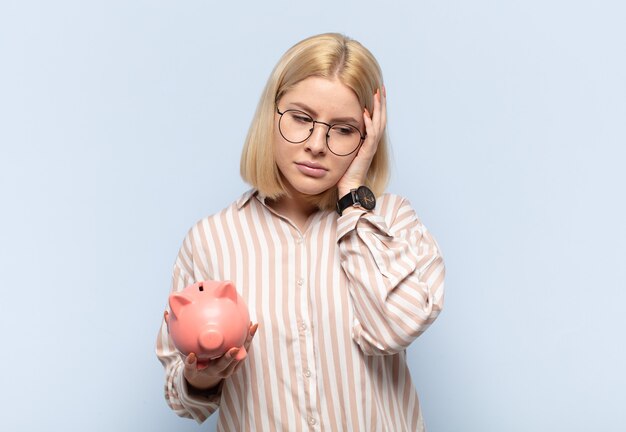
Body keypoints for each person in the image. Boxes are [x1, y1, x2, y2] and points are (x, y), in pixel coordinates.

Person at [156, 32, 445, 431]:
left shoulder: (393, 223)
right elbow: (182, 396)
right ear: (271, 114)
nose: (316, 145)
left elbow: (393, 329)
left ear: (368, 138)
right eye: (302, 118)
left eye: (343, 129)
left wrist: (353, 201)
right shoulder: (211, 239)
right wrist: (200, 378)